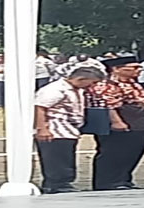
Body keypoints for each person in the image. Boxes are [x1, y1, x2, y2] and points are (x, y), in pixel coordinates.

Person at [86, 56, 144, 191]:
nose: (139, 70)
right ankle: (108, 181)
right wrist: (117, 122)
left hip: (140, 124)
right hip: (121, 123)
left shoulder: (133, 83)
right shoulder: (106, 85)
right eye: (134, 67)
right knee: (114, 153)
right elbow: (107, 105)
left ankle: (124, 179)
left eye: (139, 67)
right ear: (116, 69)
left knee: (132, 153)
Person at [34, 66, 106, 194]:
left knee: (66, 156)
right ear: (81, 79)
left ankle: (63, 182)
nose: (92, 86)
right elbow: (40, 107)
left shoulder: (77, 90)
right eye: (92, 82)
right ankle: (55, 184)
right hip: (55, 128)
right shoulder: (56, 89)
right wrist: (42, 128)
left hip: (69, 128)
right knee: (56, 158)